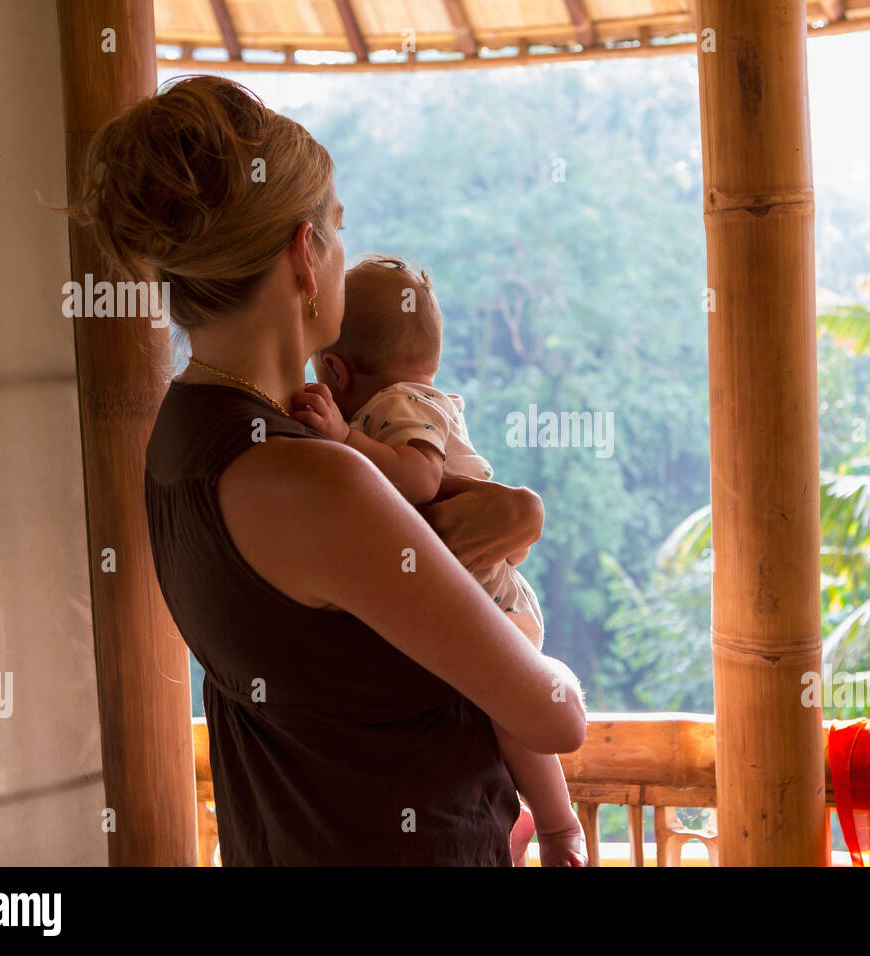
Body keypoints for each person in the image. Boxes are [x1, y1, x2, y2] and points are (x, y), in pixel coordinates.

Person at [65, 74, 587, 865]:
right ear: (305, 257)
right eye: (337, 232)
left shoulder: (181, 432)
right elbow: (552, 717)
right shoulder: (313, 480)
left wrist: (508, 508)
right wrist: (544, 658)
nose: (343, 256)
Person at [296, 254, 584, 866]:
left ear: (336, 371)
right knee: (495, 719)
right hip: (481, 591)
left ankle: (561, 827)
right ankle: (524, 823)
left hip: (496, 603)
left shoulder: (398, 406)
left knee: (517, 716)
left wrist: (344, 438)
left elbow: (423, 479)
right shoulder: (410, 400)